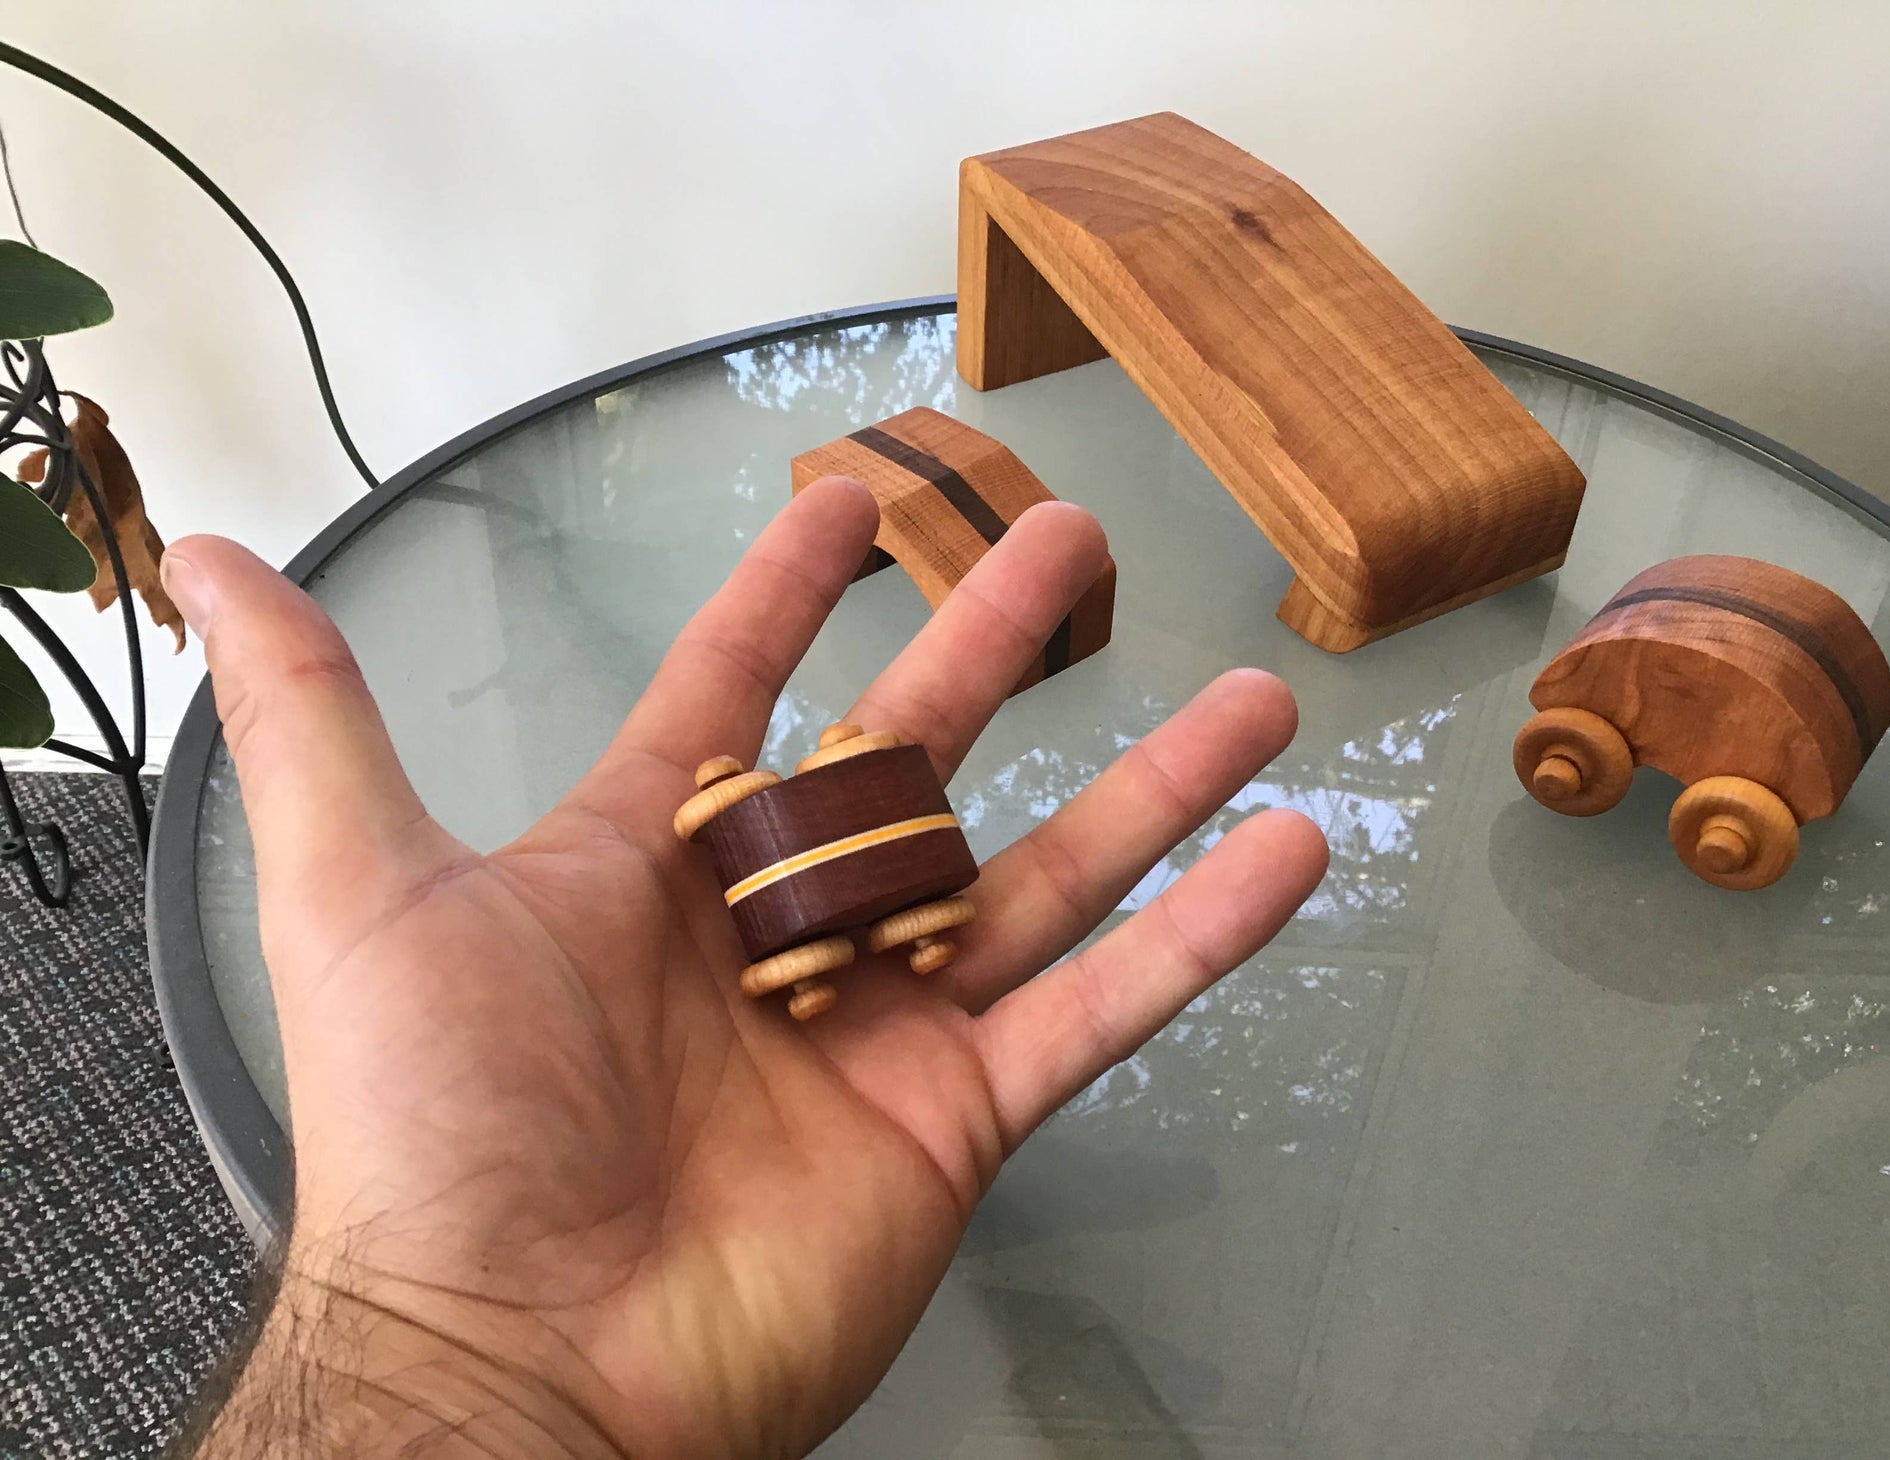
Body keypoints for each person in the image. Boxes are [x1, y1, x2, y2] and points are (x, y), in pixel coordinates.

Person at [162, 476, 1329, 1459]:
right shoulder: (763, 861)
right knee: (824, 930)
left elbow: (862, 859)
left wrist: (450, 1349)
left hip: (880, 896)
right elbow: (782, 874)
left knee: (851, 909)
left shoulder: (860, 843)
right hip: (834, 913)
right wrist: (471, 1345)